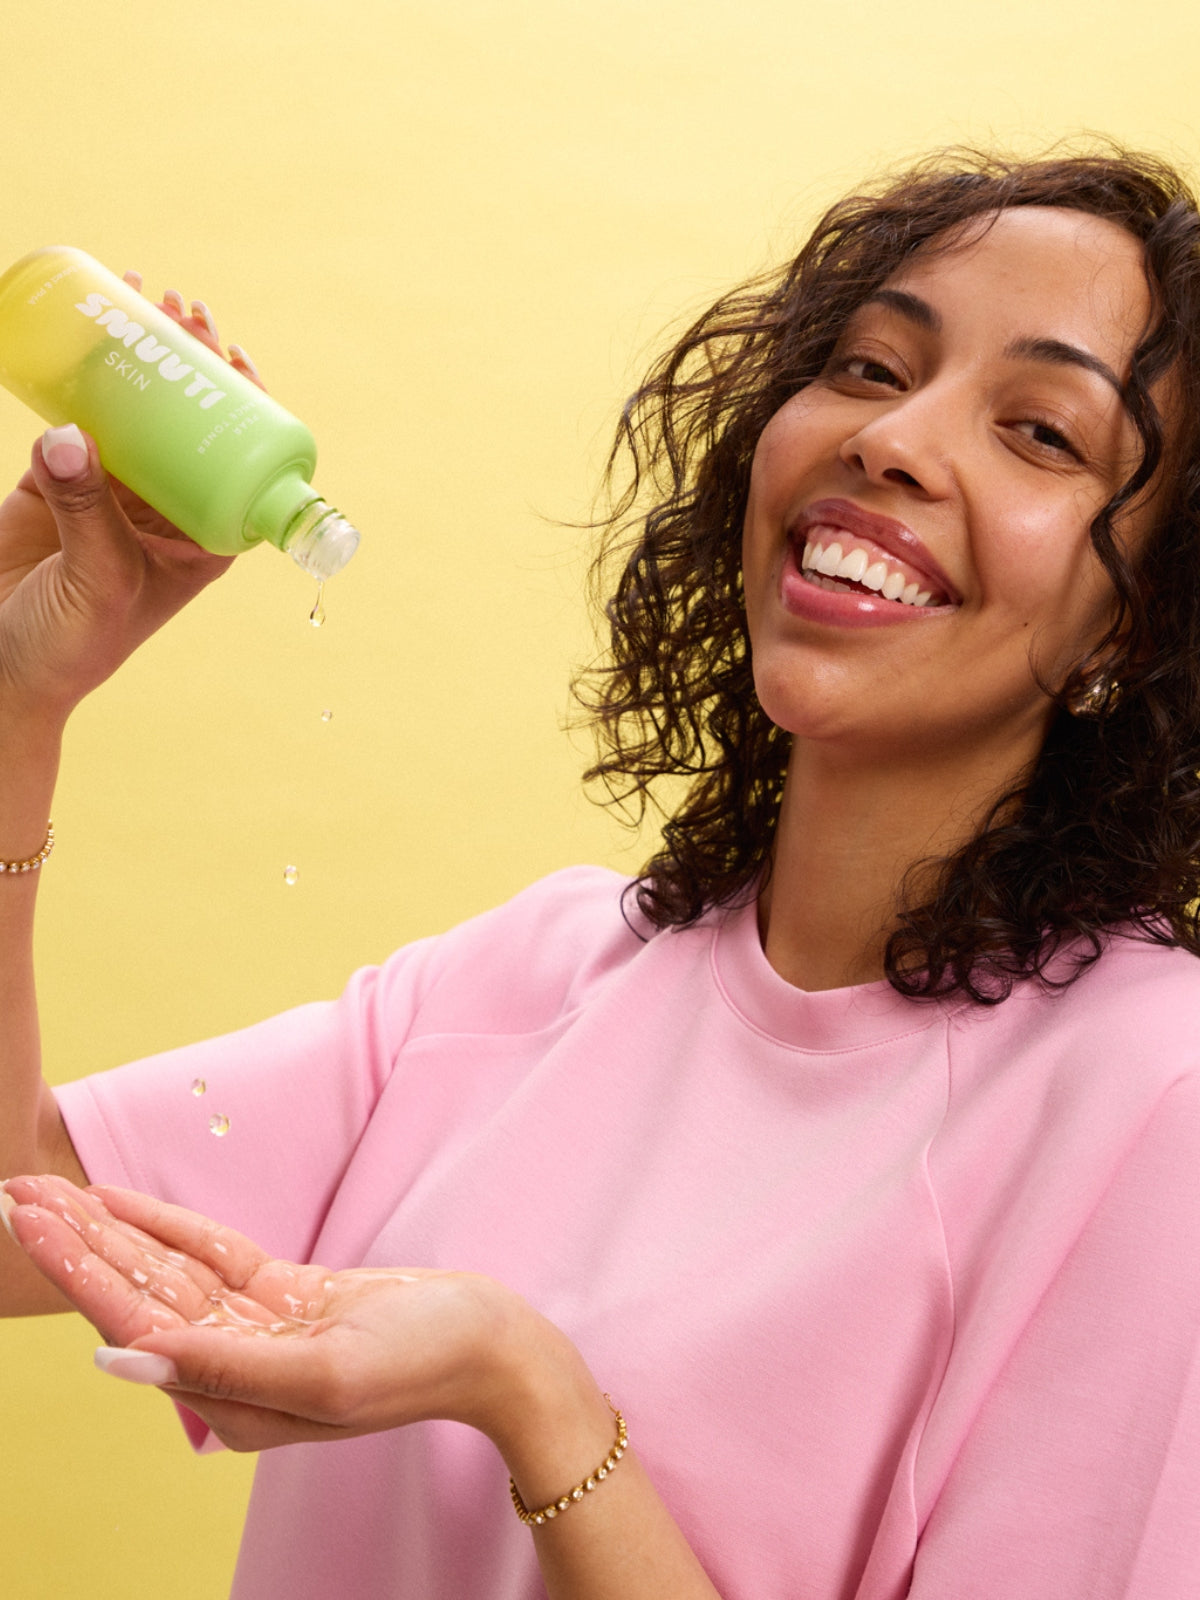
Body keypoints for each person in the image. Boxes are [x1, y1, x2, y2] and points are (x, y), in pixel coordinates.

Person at [1, 145, 1199, 1600]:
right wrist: (16, 709)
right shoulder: (542, 971)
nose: (893, 441)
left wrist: (533, 1396)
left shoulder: (1148, 1095)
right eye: (873, 365)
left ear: (1142, 626)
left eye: (1043, 433)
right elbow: (22, 1213)